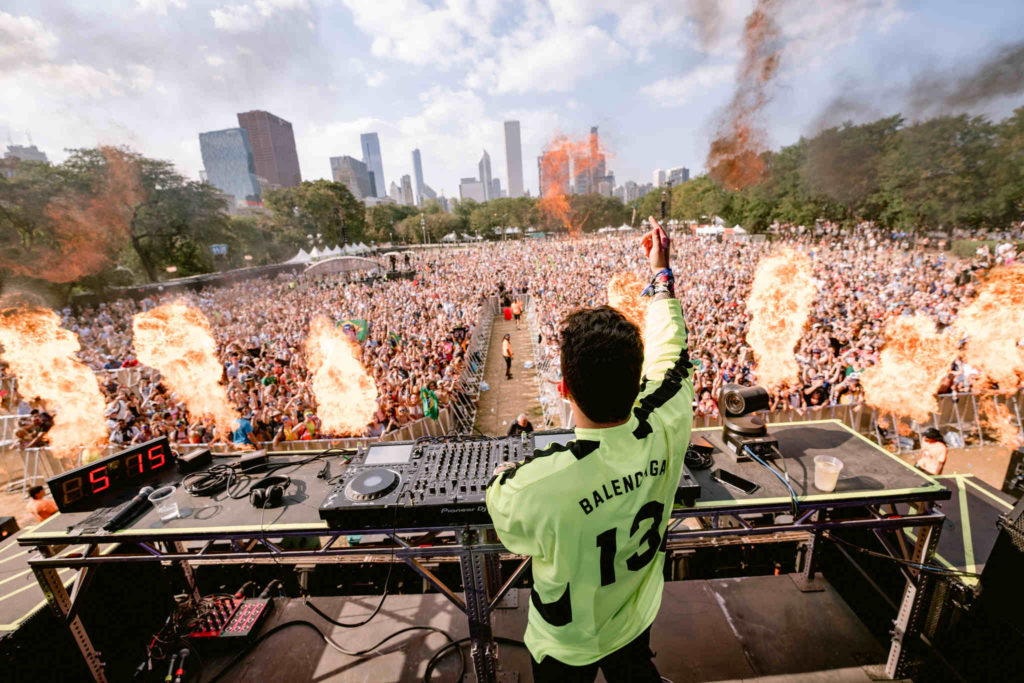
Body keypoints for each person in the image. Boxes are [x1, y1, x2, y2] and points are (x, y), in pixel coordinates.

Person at [486, 218, 692, 682]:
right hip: (635, 615)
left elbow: (502, 509)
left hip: (566, 643)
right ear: (638, 380)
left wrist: (504, 473)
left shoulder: (539, 483)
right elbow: (672, 349)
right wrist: (661, 274)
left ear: (563, 388)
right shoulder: (667, 421)